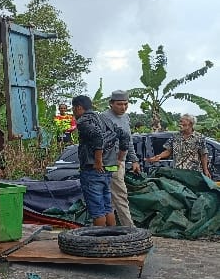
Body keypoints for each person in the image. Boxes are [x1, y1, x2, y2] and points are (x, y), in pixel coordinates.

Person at [72, 95, 130, 226]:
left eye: (73, 109)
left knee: (97, 210)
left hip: (93, 169)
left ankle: (101, 244)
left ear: (79, 107)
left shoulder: (84, 121)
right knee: (107, 207)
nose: (73, 112)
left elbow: (98, 137)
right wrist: (120, 158)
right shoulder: (105, 119)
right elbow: (124, 135)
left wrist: (98, 161)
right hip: (108, 169)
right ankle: (112, 240)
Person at [102, 90, 140, 227]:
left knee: (112, 196)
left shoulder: (126, 118)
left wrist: (134, 160)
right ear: (111, 104)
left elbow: (128, 140)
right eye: (119, 104)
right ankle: (130, 227)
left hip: (122, 161)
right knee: (120, 193)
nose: (123, 107)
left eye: (126, 104)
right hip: (110, 162)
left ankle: (110, 227)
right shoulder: (104, 118)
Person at [146, 114, 211, 178]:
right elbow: (168, 151)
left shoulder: (199, 137)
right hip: (178, 173)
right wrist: (159, 156)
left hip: (194, 173)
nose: (179, 124)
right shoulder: (175, 136)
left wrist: (205, 170)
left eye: (182, 121)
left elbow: (203, 154)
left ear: (190, 124)